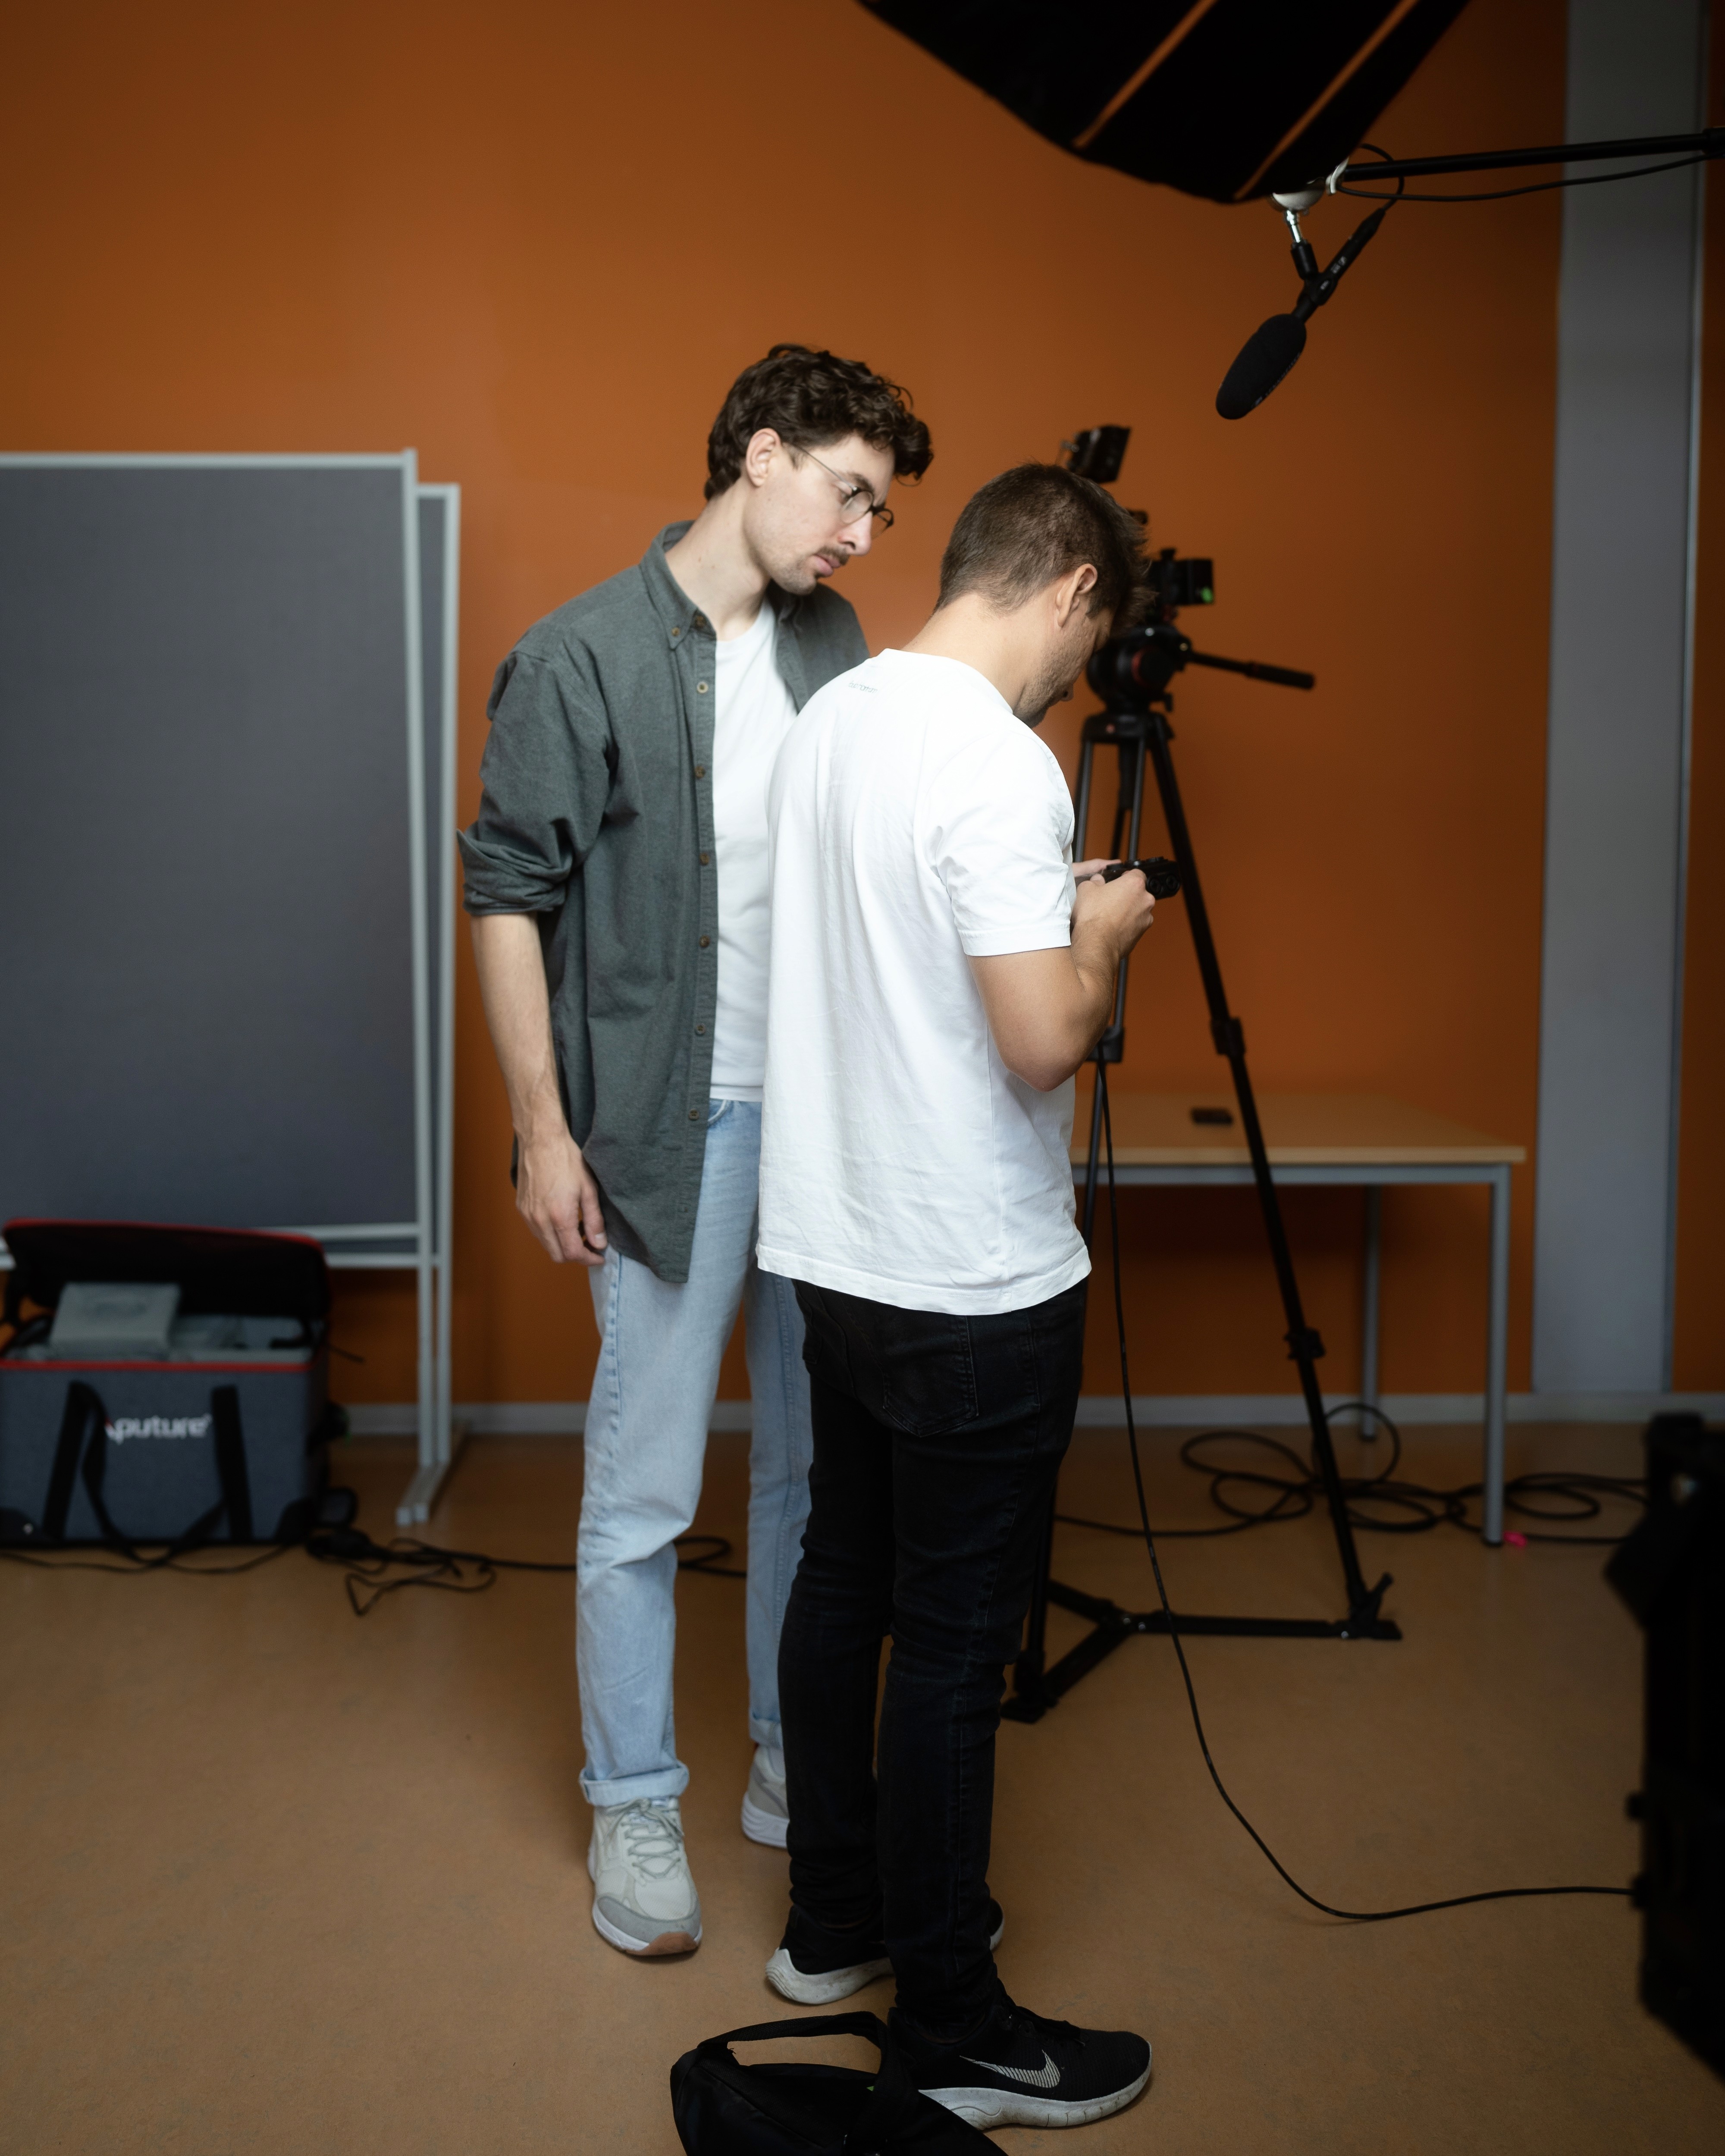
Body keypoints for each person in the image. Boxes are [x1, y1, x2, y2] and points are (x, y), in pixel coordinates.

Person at [458, 345, 933, 1959]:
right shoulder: (580, 656)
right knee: (645, 1492)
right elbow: (508, 897)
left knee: (816, 1477)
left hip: (829, 1134)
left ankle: (794, 1759)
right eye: (851, 492)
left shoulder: (837, 642)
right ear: (762, 454)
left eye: (882, 506)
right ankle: (634, 1794)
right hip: (674, 1131)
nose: (865, 534)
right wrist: (543, 1133)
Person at [757, 463, 1157, 2129]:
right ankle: (956, 2024)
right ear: (1071, 590)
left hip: (836, 1251)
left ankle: (833, 1925)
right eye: (1096, 635)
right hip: (971, 1279)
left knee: (842, 1579)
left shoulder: (834, 719)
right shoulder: (1000, 765)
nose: (1085, 671)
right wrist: (1108, 932)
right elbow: (1039, 1039)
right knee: (950, 1648)